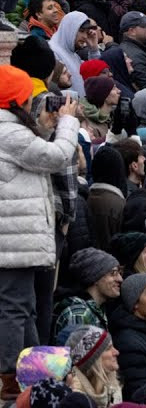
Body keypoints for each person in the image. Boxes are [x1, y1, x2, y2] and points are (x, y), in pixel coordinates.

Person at [0, 65, 80, 397]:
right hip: (13, 237)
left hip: (16, 235)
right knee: (15, 305)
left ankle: (36, 374)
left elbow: (32, 156)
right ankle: (11, 379)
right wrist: (68, 122)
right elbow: (57, 156)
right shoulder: (8, 131)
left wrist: (49, 126)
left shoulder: (11, 129)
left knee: (25, 305)